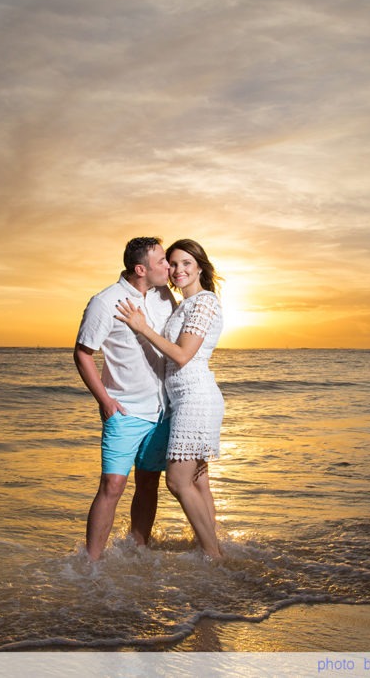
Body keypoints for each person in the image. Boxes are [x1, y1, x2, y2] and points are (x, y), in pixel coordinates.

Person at [115, 239, 225, 560]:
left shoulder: (204, 303)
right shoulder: (183, 306)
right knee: (198, 480)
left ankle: (211, 554)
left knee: (178, 482)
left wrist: (142, 327)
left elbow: (181, 355)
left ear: (200, 267)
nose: (178, 270)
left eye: (186, 263)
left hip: (196, 399)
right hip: (181, 400)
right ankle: (211, 545)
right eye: (173, 264)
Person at [74, 237, 177, 561]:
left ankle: (139, 551)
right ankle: (91, 564)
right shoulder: (105, 302)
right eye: (162, 261)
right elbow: (82, 353)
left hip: (162, 409)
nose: (169, 266)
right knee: (112, 485)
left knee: (149, 483)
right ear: (140, 269)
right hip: (126, 409)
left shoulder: (164, 296)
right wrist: (104, 401)